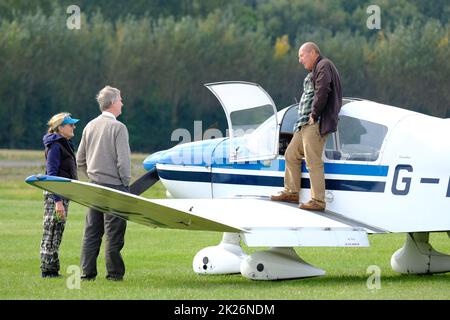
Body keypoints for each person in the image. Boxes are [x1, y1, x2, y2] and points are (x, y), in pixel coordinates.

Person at [271, 42, 342, 211]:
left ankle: (318, 201)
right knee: (290, 154)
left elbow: (323, 89)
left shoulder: (324, 65)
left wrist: (314, 114)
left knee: (313, 161)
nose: (300, 60)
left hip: (315, 123)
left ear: (312, 53)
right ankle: (291, 192)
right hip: (304, 124)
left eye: (301, 56)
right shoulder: (317, 69)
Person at [77, 85, 131, 281]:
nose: (122, 103)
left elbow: (79, 160)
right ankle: (114, 274)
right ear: (113, 103)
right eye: (120, 99)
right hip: (115, 187)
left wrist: (91, 176)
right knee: (114, 234)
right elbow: (123, 162)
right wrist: (125, 184)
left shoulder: (89, 126)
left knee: (92, 232)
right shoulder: (118, 127)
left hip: (93, 186)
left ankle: (86, 273)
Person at [40, 113, 79, 278]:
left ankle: (52, 269)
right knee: (51, 230)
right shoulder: (55, 146)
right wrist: (57, 201)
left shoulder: (65, 144)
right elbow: (51, 175)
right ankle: (47, 270)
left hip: (62, 194)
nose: (73, 127)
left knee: (58, 231)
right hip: (55, 195)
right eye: (70, 125)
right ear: (60, 128)